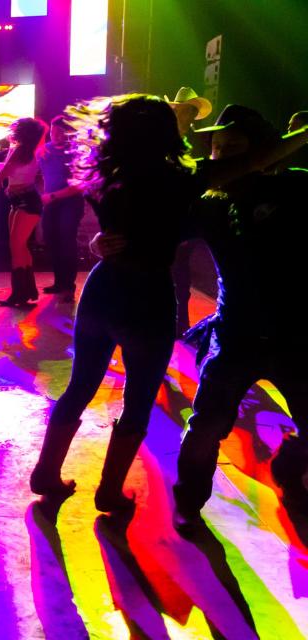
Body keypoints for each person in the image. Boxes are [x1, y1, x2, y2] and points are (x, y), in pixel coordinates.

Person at [28, 94, 308, 515]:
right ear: (166, 135)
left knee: (79, 387)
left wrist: (97, 241)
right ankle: (109, 492)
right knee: (138, 400)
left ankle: (45, 474)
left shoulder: (103, 174)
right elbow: (260, 158)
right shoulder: (184, 179)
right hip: (148, 297)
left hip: (103, 289)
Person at [166, 105, 308, 534]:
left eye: (234, 148)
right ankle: (189, 501)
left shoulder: (295, 186)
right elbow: (154, 230)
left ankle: (289, 463)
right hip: (236, 333)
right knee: (206, 426)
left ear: (262, 153)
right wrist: (107, 241)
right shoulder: (208, 204)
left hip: (297, 334)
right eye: (217, 149)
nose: (223, 157)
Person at [167, 87, 215, 334]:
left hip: (187, 213)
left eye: (192, 111)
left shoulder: (198, 141)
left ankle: (180, 321)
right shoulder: (165, 138)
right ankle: (171, 319)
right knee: (168, 267)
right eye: (187, 110)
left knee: (179, 267)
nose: (188, 115)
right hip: (167, 211)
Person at [0, 117, 48, 308]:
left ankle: (20, 293)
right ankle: (27, 290)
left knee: (17, 246)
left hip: (25, 202)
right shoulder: (26, 151)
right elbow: (12, 169)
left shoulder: (20, 150)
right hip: (24, 200)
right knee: (20, 246)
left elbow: (5, 172)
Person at [38, 115, 84, 302]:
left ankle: (68, 286)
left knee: (67, 242)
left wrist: (53, 196)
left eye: (59, 132)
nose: (54, 135)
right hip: (51, 204)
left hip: (70, 204)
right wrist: (1, 166)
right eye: (52, 131)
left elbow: (78, 185)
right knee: (52, 240)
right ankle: (59, 282)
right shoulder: (44, 151)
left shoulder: (75, 152)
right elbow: (28, 166)